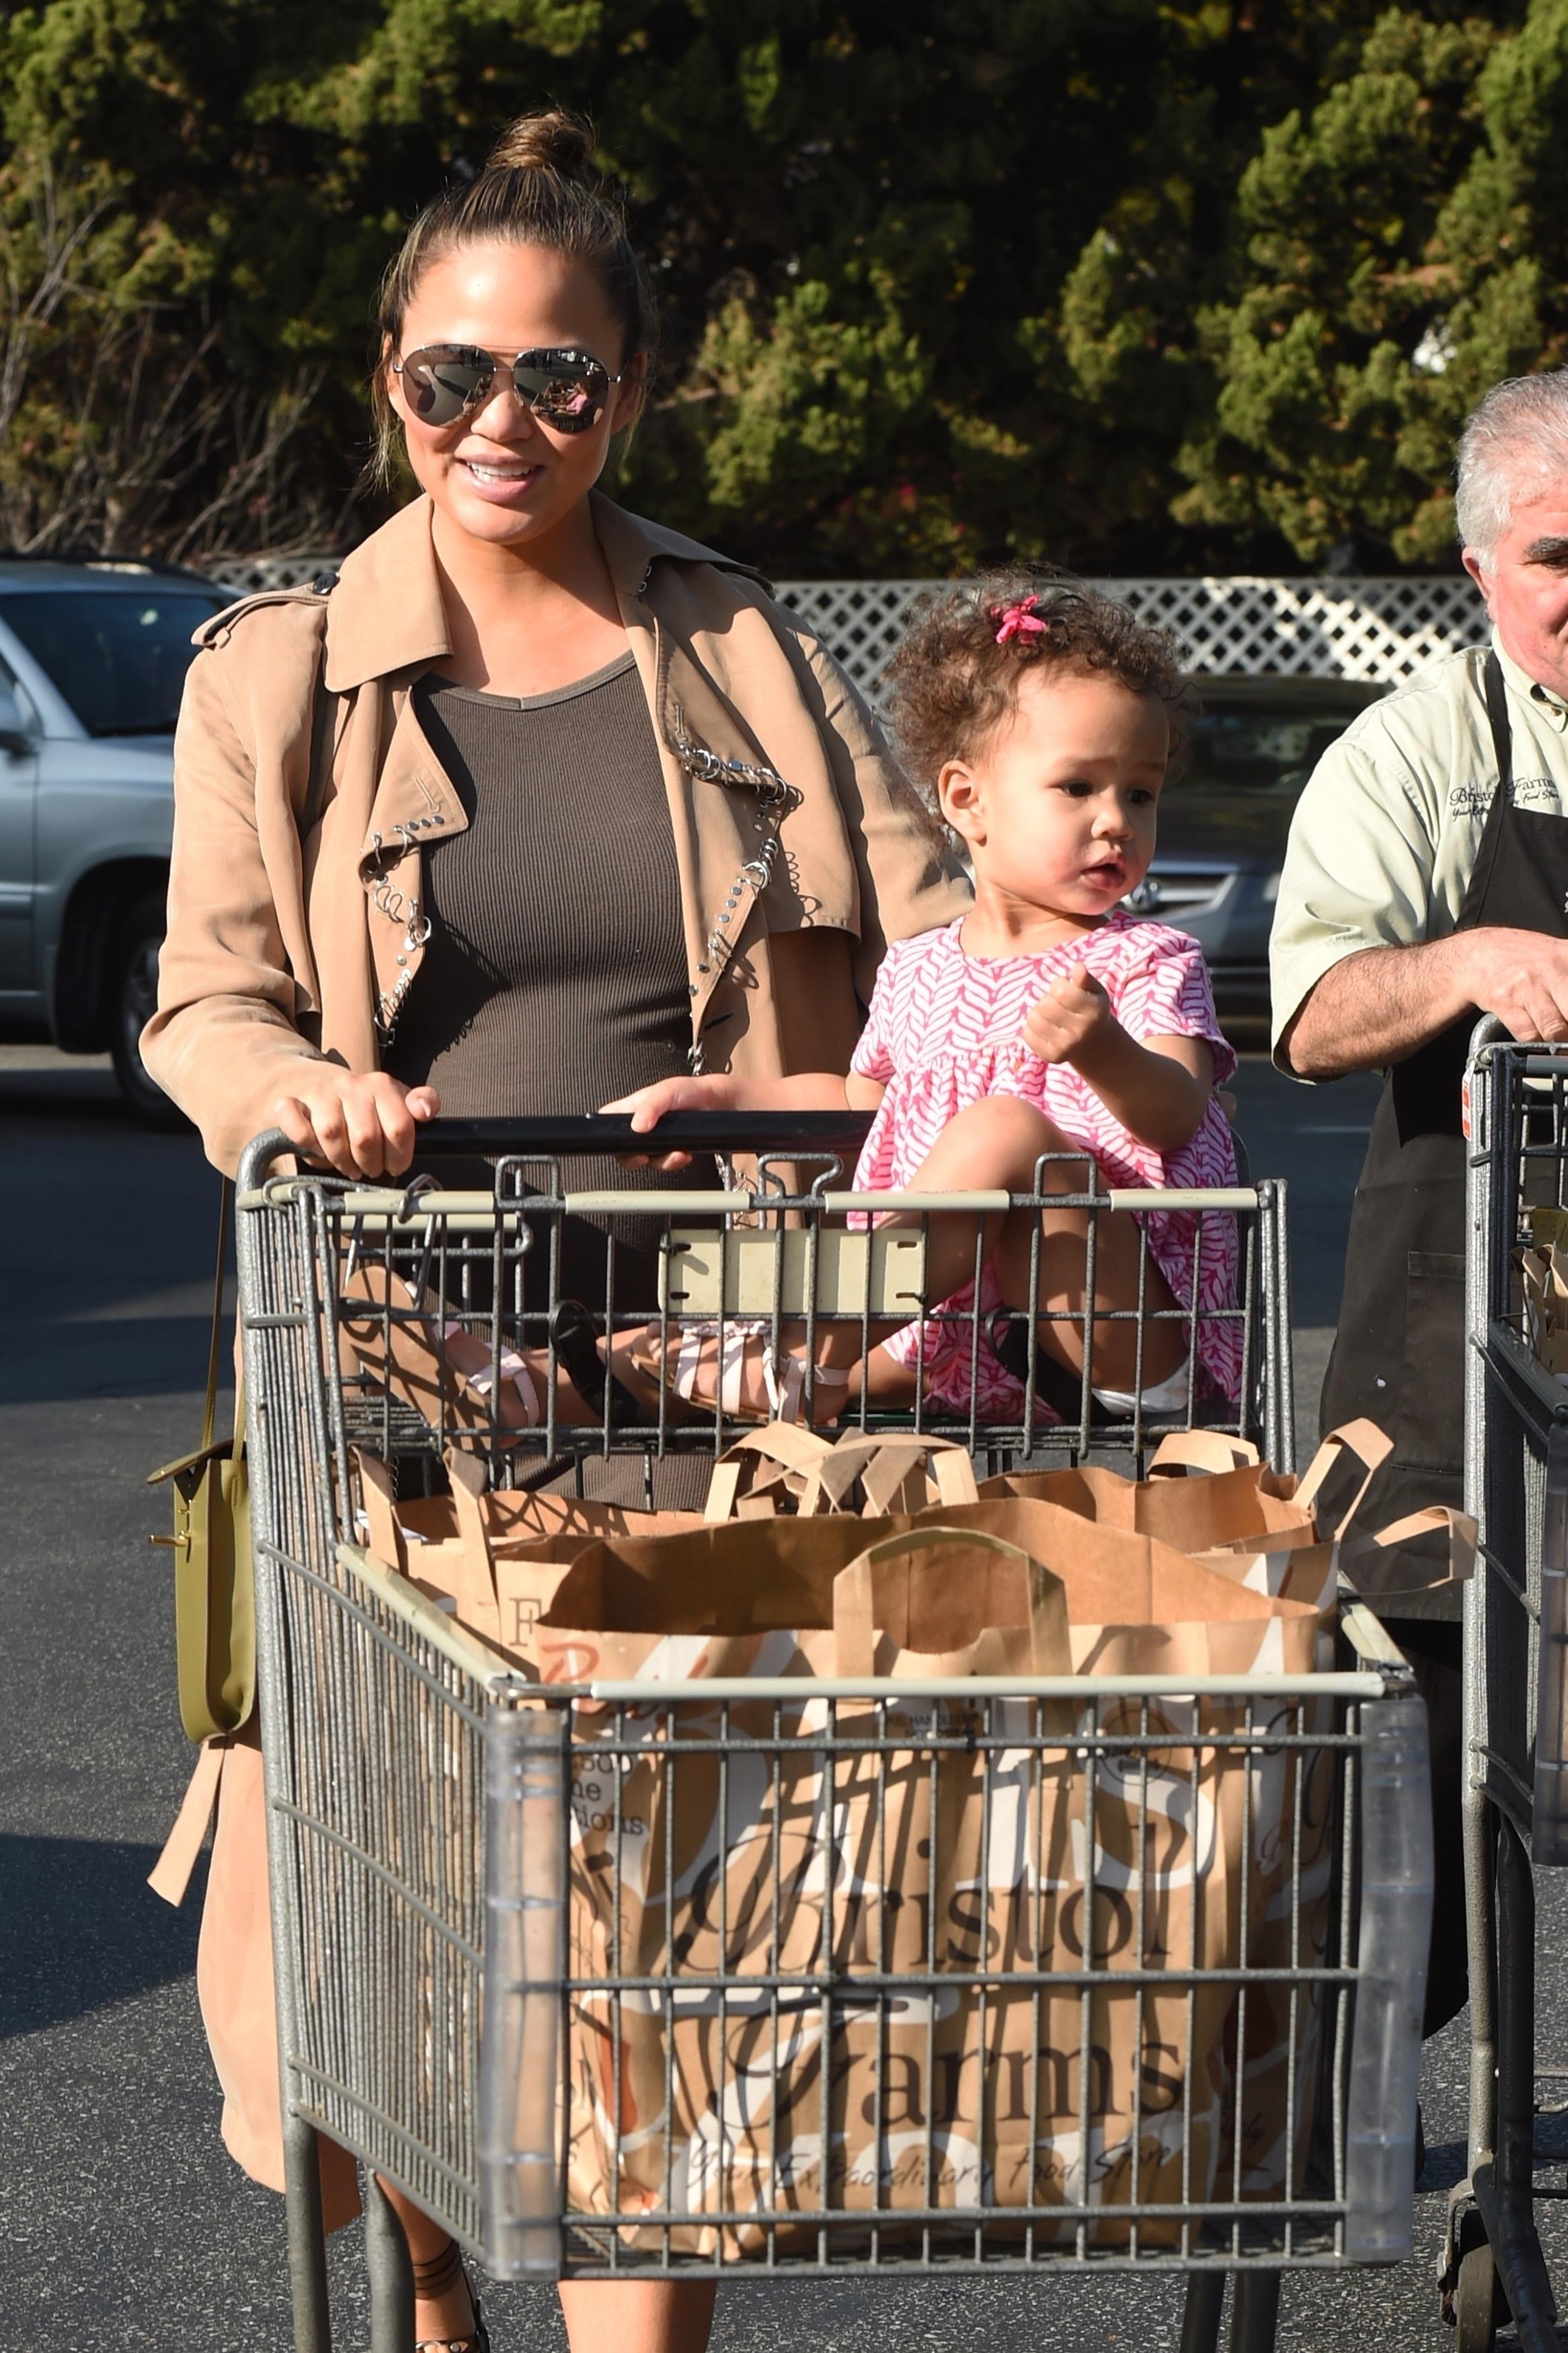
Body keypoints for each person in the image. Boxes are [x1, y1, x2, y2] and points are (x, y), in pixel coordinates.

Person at [141, 107, 968, 2353]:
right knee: (402, 1956)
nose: (501, 421)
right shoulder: (277, 677)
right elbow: (202, 994)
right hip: (406, 1382)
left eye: (559, 378)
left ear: (632, 387)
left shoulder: (744, 654)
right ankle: (429, 2292)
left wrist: (1021, 1058)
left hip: (716, 1391)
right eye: (452, 377)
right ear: (389, 377)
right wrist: (281, 1086)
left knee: (664, 1991)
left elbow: (945, 946)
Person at [610, 579, 1240, 1427]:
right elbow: (856, 1103)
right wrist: (716, 1098)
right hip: (945, 1340)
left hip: (1120, 1328)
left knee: (1005, 1130)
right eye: (1077, 787)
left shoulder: (1146, 958)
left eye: (1140, 792)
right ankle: (523, 1376)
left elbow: (1173, 1113)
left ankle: (805, 1359)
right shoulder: (916, 968)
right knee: (660, 1349)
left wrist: (1102, 1051)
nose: (1116, 820)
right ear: (963, 799)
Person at [1270, 366, 1568, 2037]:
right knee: (1423, 1848)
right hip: (1447, 1370)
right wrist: (1461, 960)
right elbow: (1307, 1022)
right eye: (1556, 556)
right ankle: (1412, 2163)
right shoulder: (1416, 752)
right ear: (1479, 571)